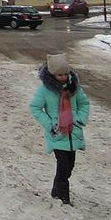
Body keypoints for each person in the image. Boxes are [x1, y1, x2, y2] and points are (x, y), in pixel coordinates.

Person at [30, 54, 89, 205]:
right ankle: (63, 198)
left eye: (65, 74)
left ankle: (55, 191)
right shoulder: (45, 90)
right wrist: (50, 124)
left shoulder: (73, 88)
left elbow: (84, 103)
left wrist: (80, 118)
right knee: (63, 167)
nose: (63, 77)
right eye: (59, 74)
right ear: (52, 74)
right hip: (57, 135)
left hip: (73, 133)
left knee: (69, 167)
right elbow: (35, 107)